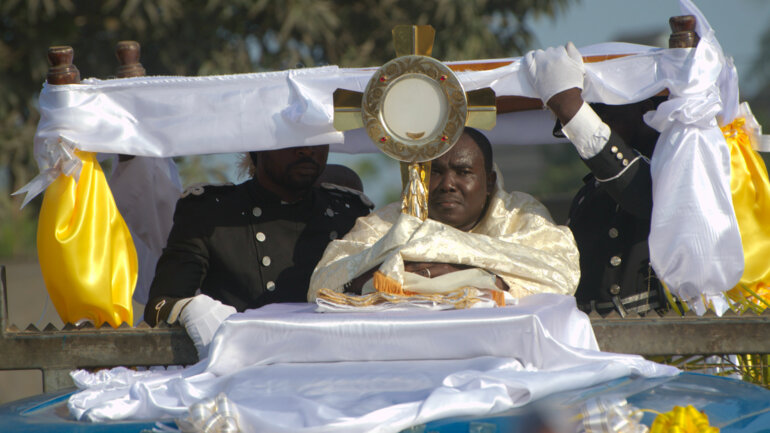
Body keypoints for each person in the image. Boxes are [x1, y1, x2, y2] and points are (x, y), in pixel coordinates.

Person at [145, 145, 372, 356]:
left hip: (332, 361)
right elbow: (160, 304)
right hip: (244, 365)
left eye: (318, 139)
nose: (307, 149)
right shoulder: (211, 212)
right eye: (290, 139)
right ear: (257, 147)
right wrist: (192, 309)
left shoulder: (350, 213)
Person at [308, 128, 580, 302]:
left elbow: (562, 274)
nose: (447, 184)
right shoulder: (391, 220)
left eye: (463, 172)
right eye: (435, 172)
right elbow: (321, 284)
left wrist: (454, 266)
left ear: (488, 182)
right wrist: (383, 269)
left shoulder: (521, 215)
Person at [523, 43, 666, 316]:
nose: (596, 125)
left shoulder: (674, 172)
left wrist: (572, 110)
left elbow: (641, 191)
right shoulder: (588, 192)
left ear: (645, 110)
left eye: (604, 116)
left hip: (658, 339)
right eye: (592, 116)